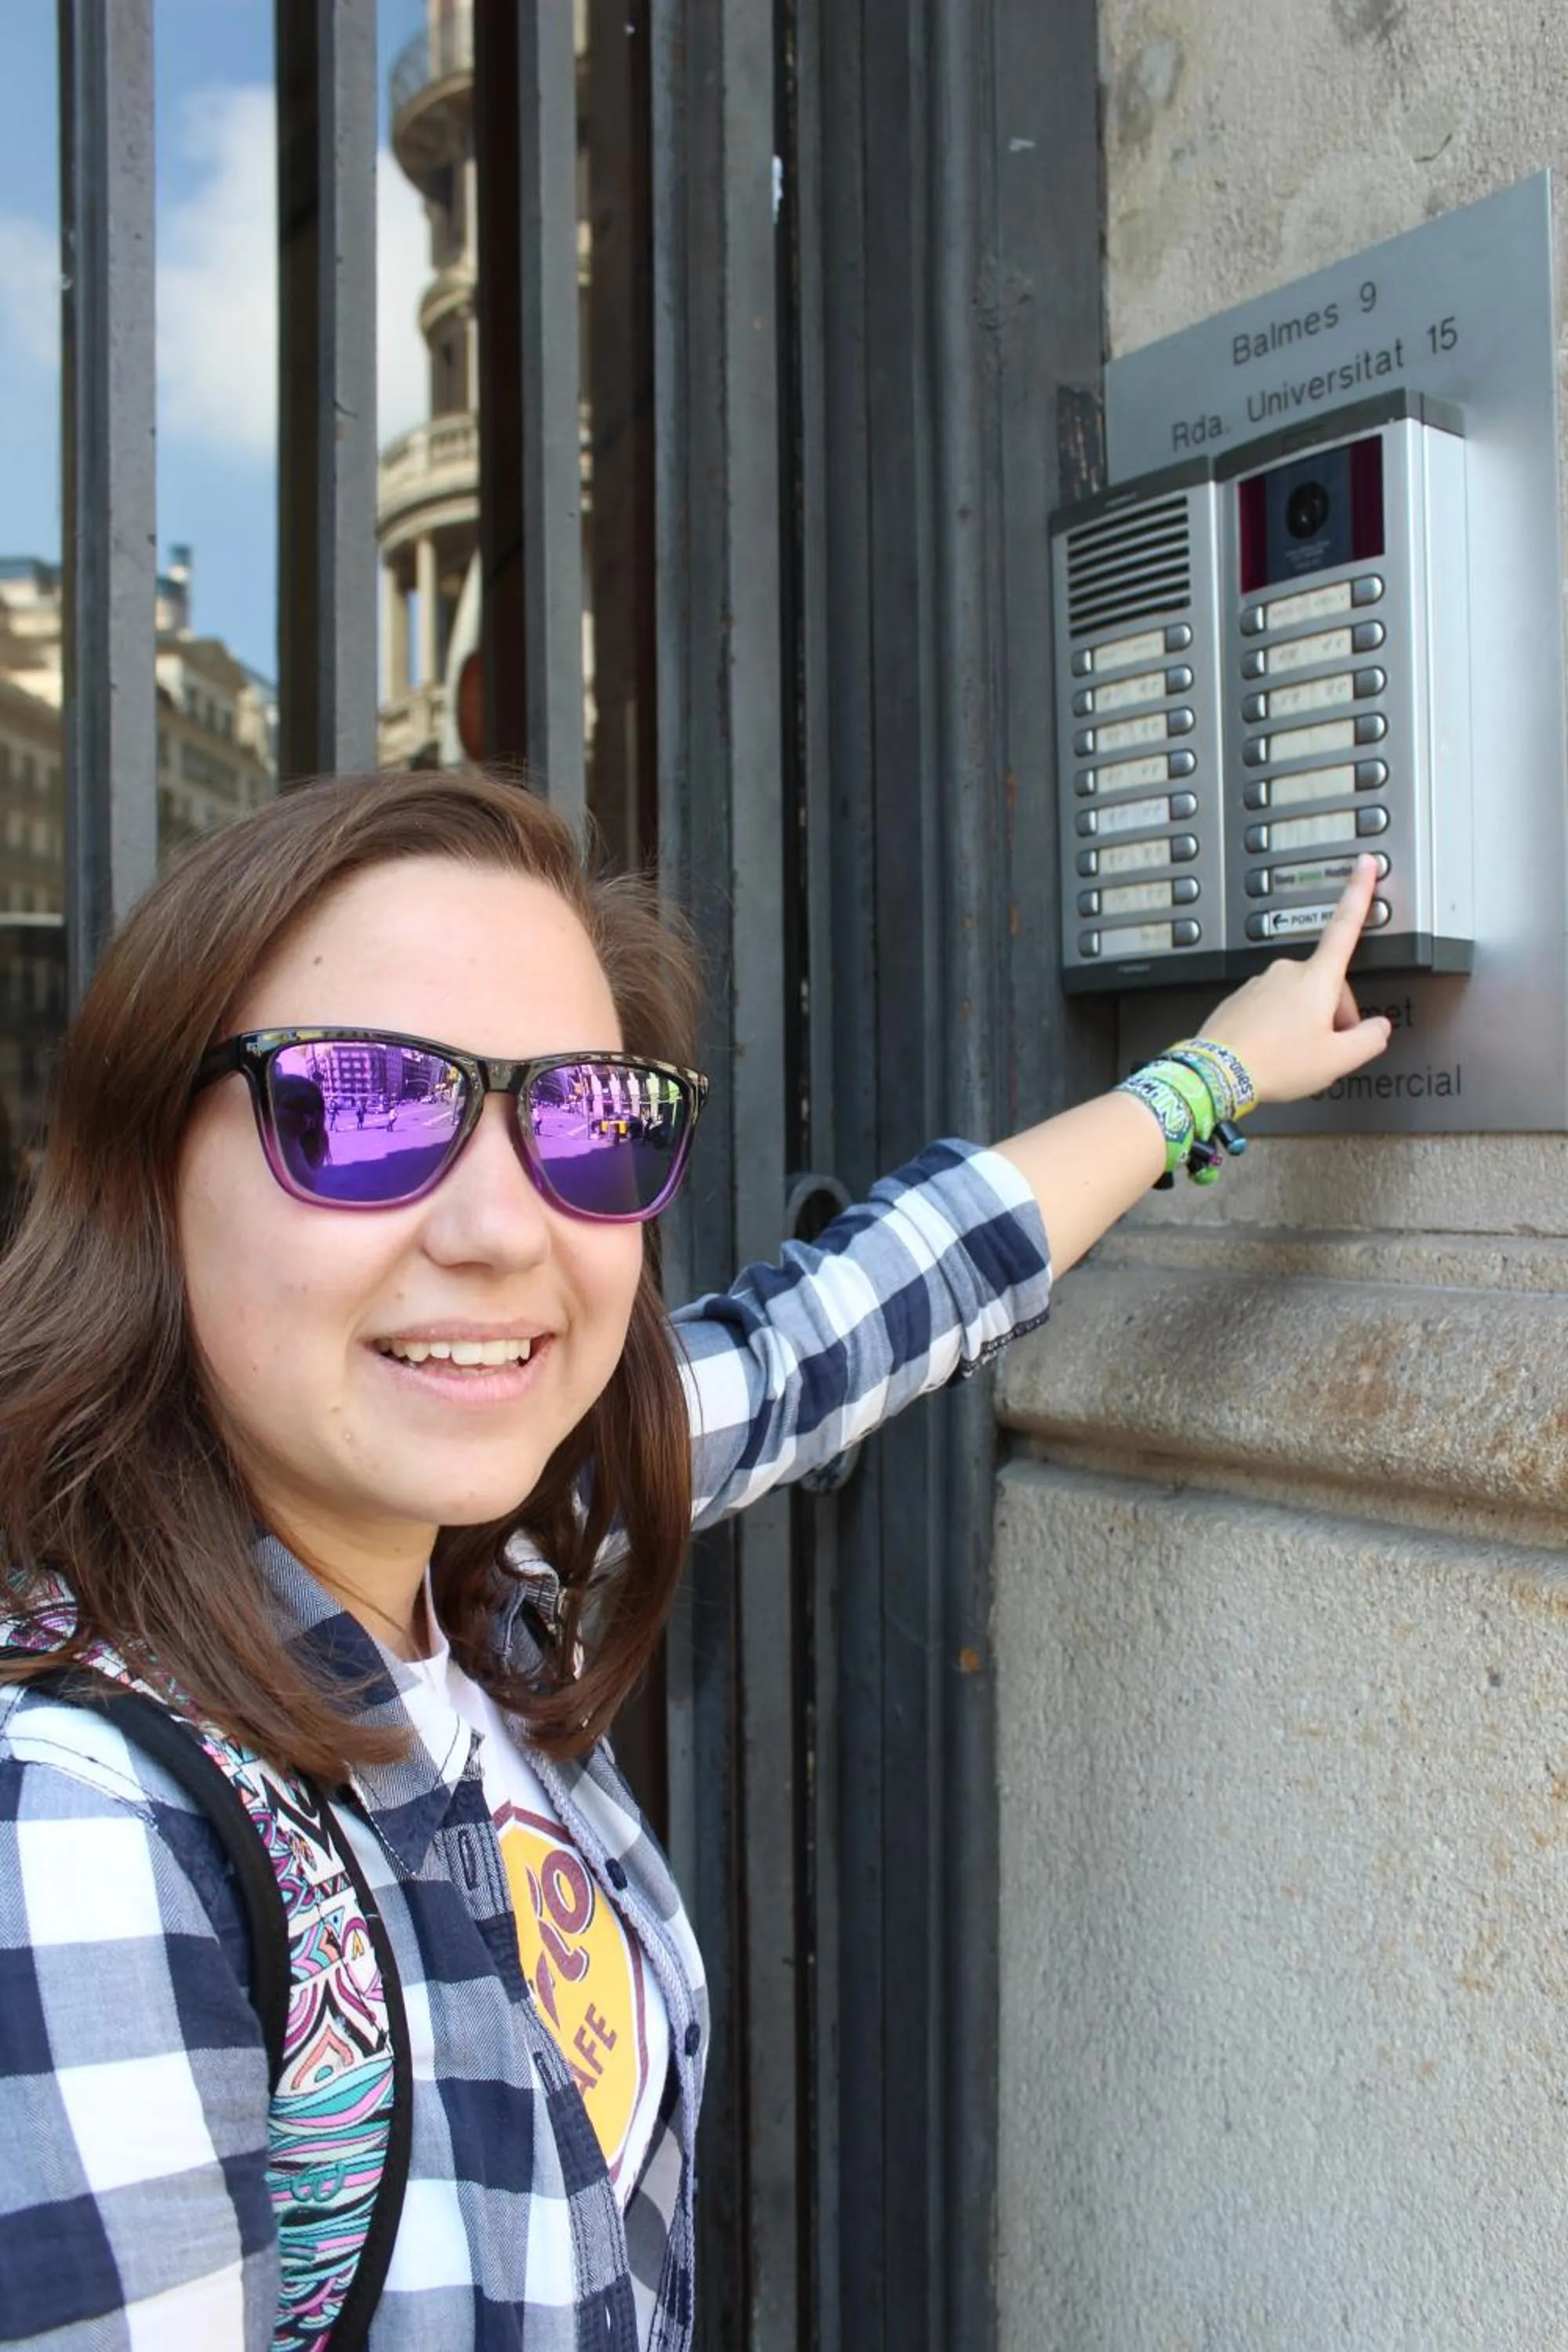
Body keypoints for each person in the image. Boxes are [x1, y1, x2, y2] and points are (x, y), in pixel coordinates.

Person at [0, 768, 1388, 2349]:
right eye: (366, 1106)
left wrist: (1213, 1076)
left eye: (584, 1121)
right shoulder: (90, 1828)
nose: (502, 1231)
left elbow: (837, 1329)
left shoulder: (489, 1561)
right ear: (144, 1171)